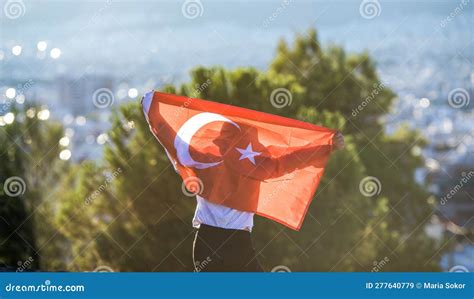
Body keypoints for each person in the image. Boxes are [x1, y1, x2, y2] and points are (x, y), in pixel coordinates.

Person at [141, 92, 345, 272]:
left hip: (206, 242)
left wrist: (150, 105)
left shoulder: (195, 160)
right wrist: (326, 147)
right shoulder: (256, 166)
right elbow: (290, 161)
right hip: (238, 245)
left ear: (219, 143)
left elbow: (167, 135)